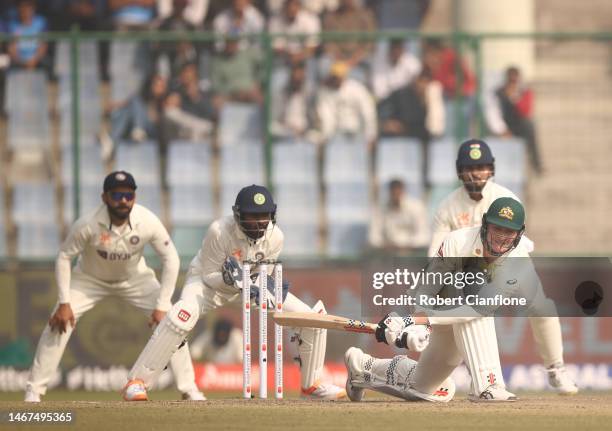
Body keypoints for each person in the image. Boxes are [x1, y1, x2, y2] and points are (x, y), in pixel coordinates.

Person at [123, 184, 347, 401]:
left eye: (264, 216)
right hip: (207, 284)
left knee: (312, 318)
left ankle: (312, 385)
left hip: (247, 287)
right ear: (239, 215)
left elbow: (263, 274)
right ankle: (137, 382)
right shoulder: (219, 231)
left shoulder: (275, 236)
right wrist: (232, 279)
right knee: (180, 316)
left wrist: (261, 287)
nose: (259, 223)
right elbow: (210, 274)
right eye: (252, 216)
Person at [24, 171, 204, 402]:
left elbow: (171, 258)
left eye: (128, 195)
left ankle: (189, 390)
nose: (123, 201)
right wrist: (64, 302)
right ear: (105, 197)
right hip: (89, 279)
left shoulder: (146, 220)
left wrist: (162, 304)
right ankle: (33, 391)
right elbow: (64, 257)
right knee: (58, 323)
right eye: (117, 195)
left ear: (134, 198)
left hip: (135, 279)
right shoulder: (88, 224)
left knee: (173, 322)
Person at [346, 197, 545, 402]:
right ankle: (488, 385)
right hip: (438, 306)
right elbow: (427, 289)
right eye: (497, 228)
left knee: (421, 386)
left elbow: (477, 309)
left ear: (519, 234)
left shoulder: (519, 262)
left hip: (462, 314)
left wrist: (421, 321)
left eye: (509, 231)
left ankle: (362, 367)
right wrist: (417, 323)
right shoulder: (458, 241)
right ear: (485, 225)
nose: (502, 237)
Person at [428, 139, 578, 395]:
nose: (476, 173)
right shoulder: (447, 207)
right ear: (459, 171)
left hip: (511, 262)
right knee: (467, 313)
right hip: (466, 271)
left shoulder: (506, 198)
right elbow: (436, 253)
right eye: (470, 167)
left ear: (492, 169)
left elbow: (517, 242)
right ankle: (477, 377)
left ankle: (555, 368)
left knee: (542, 306)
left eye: (483, 166)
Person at [488, 66, 542, 174]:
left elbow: (525, 111)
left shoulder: (524, 92)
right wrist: (502, 129)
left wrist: (514, 98)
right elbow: (494, 113)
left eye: (515, 80)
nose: (512, 82)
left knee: (529, 126)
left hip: (520, 124)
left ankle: (536, 164)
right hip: (504, 124)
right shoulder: (498, 93)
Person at [315, 61, 377, 146]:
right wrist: (326, 137)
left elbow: (368, 111)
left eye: (339, 77)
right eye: (334, 77)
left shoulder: (357, 88)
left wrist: (370, 135)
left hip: (358, 133)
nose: (336, 79)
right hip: (336, 135)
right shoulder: (325, 92)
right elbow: (327, 117)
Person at [368, 179, 430, 253]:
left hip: (412, 252)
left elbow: (424, 236)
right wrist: (383, 245)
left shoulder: (416, 207)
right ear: (389, 193)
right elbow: (373, 237)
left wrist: (407, 246)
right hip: (387, 252)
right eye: (393, 193)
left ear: (403, 192)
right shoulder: (381, 209)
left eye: (398, 192)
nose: (396, 196)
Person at [268, 0, 321, 66]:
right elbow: (277, 48)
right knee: (279, 73)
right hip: (284, 60)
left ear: (299, 5)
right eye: (289, 4)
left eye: (295, 4)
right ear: (284, 5)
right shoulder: (275, 21)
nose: (291, 8)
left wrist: (299, 57)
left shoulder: (310, 19)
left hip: (305, 59)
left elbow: (312, 46)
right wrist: (291, 57)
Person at [371, 38, 421, 102]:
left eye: (398, 48)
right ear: (390, 49)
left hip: (407, 100)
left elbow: (418, 82)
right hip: (386, 102)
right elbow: (379, 91)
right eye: (394, 48)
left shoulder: (411, 62)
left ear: (402, 49)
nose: (396, 52)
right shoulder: (379, 62)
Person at [7, 0, 48, 70]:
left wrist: (34, 60)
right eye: (22, 7)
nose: (25, 10)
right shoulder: (13, 25)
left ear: (33, 8)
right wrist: (21, 62)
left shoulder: (41, 22)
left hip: (37, 60)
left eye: (28, 7)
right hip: (18, 62)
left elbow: (43, 46)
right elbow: (12, 48)